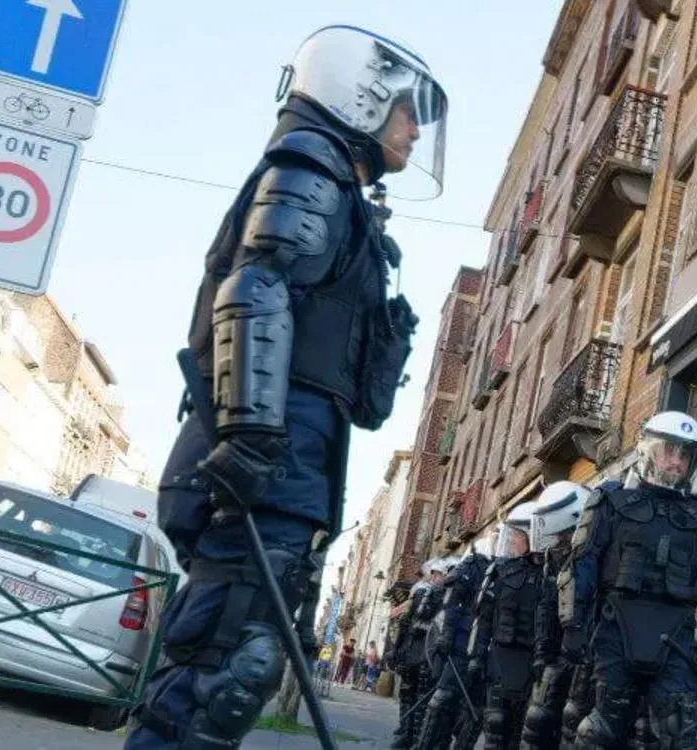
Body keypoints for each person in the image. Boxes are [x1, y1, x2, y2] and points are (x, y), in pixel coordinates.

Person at [125, 25, 446, 750]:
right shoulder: (311, 168)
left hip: (291, 469)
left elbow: (362, 405)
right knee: (223, 670)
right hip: (266, 462)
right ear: (360, 97)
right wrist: (250, 439)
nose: (414, 131)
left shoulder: (347, 199)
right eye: (406, 112)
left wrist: (386, 338)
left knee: (231, 665)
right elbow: (256, 290)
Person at [560, 412, 697, 749]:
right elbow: (581, 566)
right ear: (649, 450)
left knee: (690, 739)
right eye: (669, 450)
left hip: (677, 641)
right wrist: (573, 627)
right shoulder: (611, 501)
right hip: (616, 633)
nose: (676, 462)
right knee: (600, 733)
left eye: (685, 455)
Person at [520, 482, 589, 750]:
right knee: (537, 723)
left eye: (562, 534)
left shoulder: (596, 553)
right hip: (558, 653)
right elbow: (547, 608)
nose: (557, 541)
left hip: (586, 656)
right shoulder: (555, 558)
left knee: (572, 729)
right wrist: (542, 651)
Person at [468, 503, 543, 750]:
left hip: (531, 663)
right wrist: (477, 657)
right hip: (500, 660)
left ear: (532, 537)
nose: (510, 541)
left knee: (522, 733)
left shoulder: (548, 574)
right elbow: (484, 619)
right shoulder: (499, 571)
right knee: (495, 726)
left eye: (516, 536)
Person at [415, 547, 490, 750]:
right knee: (441, 702)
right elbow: (443, 619)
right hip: (455, 650)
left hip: (477, 652)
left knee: (471, 711)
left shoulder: (491, 572)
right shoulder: (459, 580)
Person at [390, 559, 446, 749]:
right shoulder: (421, 593)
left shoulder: (447, 598)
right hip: (413, 652)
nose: (437, 578)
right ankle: (407, 733)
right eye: (435, 574)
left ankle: (416, 739)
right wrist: (397, 650)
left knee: (421, 699)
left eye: (440, 574)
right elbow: (405, 624)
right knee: (408, 694)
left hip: (428, 656)